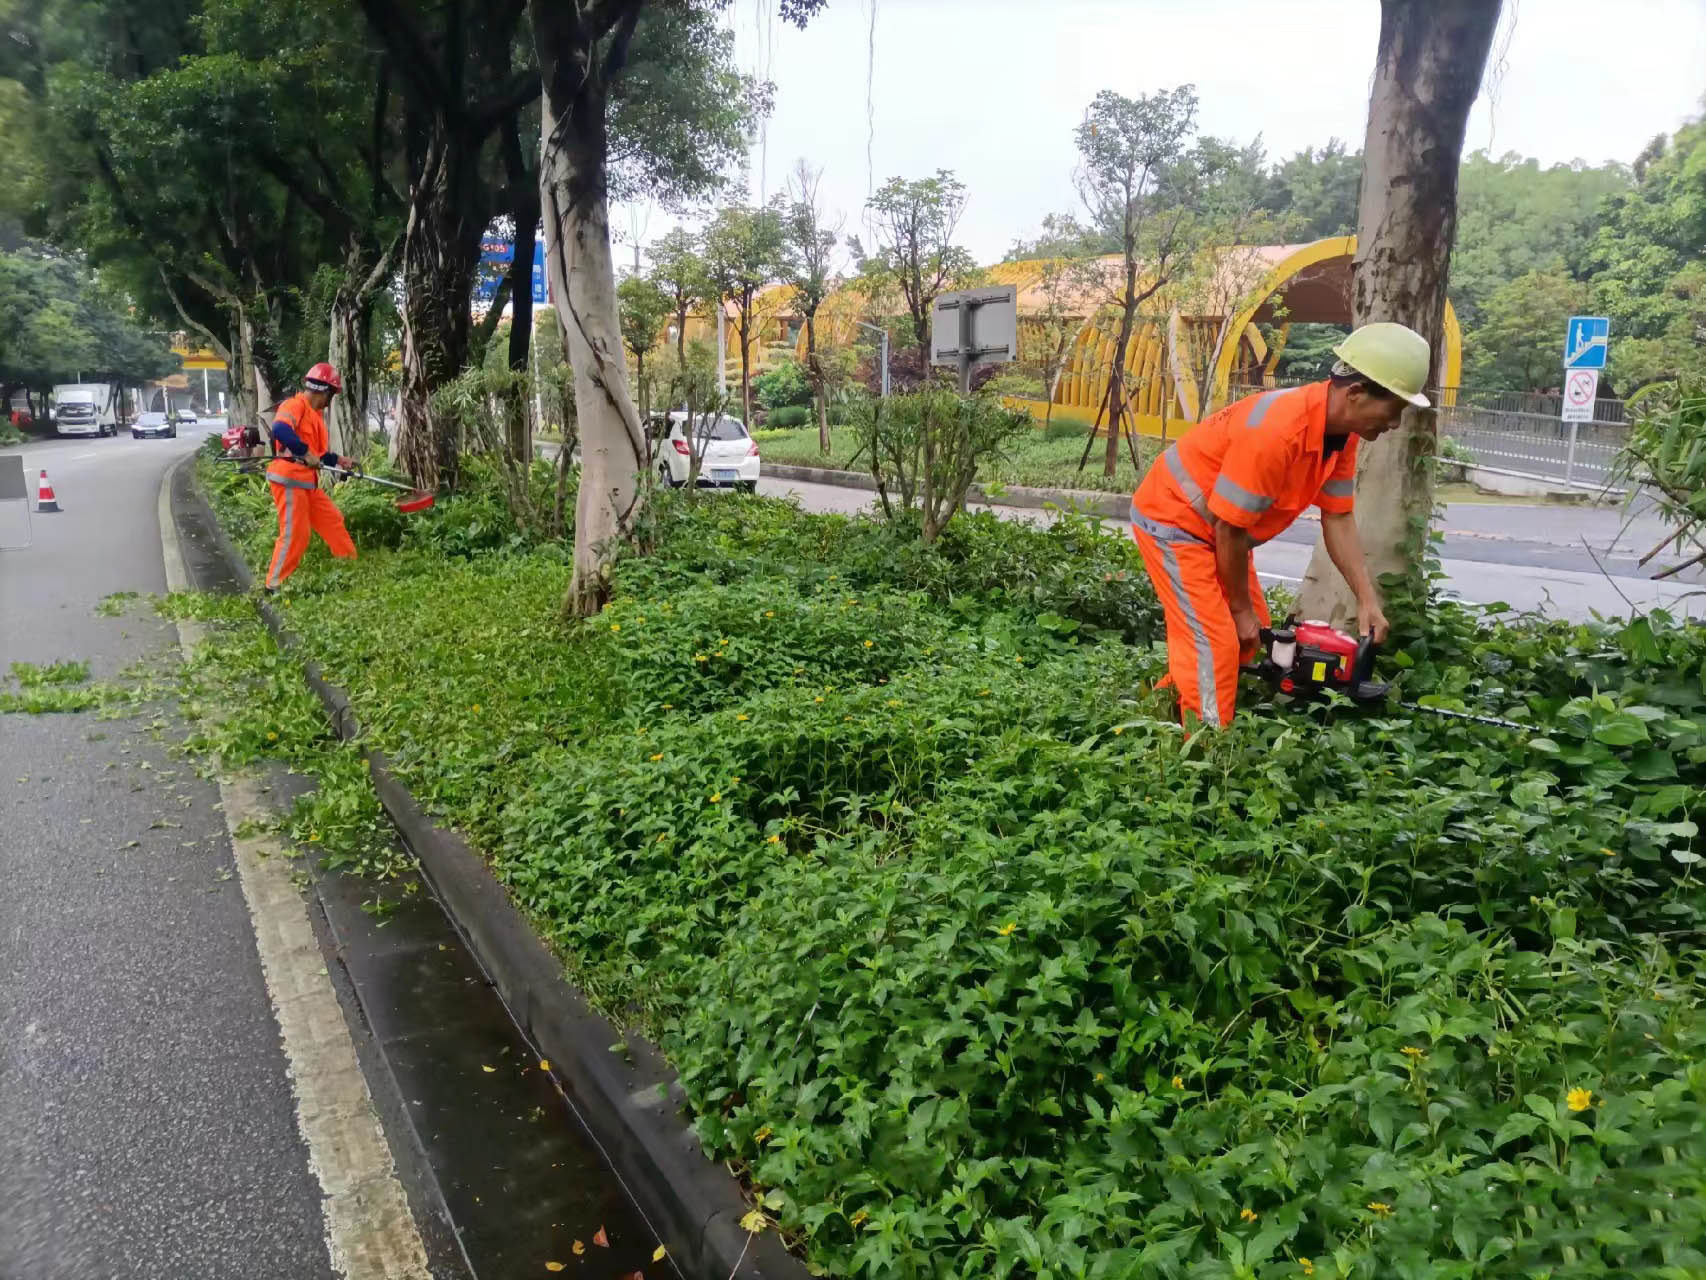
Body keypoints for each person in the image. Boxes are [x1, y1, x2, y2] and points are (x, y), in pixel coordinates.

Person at [1128, 321, 1431, 727]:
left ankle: (1168, 706)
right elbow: (1229, 529)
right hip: (1175, 520)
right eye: (1392, 410)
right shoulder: (1277, 432)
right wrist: (1238, 610)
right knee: (1217, 641)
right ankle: (1202, 755)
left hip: (1221, 530)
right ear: (1356, 394)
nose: (1393, 423)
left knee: (1254, 635)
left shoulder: (1343, 433)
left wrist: (1366, 599)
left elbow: (1337, 516)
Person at [263, 362, 357, 591]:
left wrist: (339, 460)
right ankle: (274, 585)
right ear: (324, 391)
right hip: (289, 479)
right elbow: (280, 429)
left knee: (332, 519)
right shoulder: (295, 405)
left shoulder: (315, 416)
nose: (330, 401)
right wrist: (304, 452)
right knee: (296, 534)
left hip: (307, 482)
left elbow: (319, 454)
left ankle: (351, 566)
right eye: (331, 395)